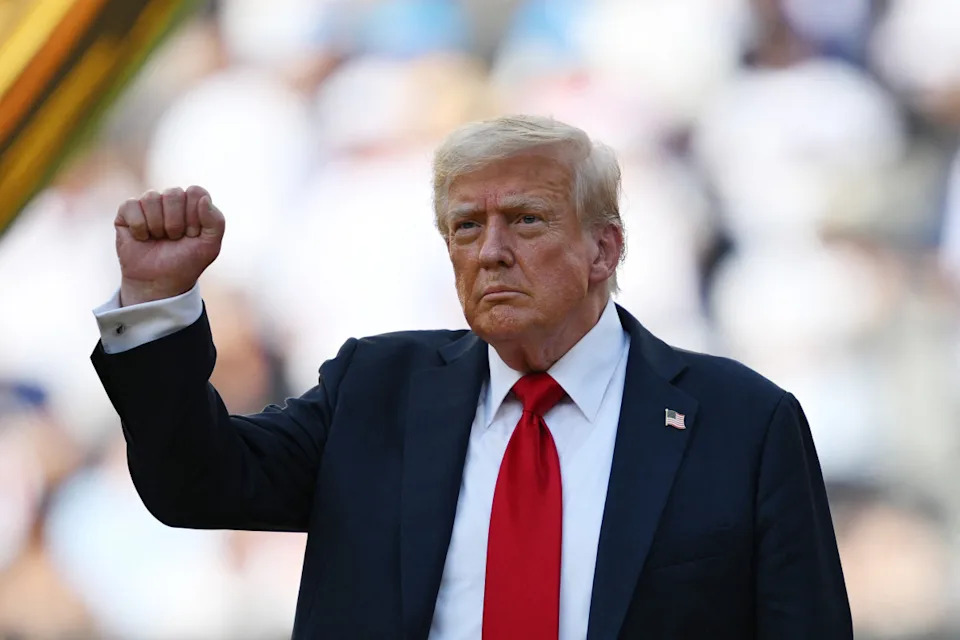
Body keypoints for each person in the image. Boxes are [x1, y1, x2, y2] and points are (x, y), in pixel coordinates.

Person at [90, 115, 852, 639]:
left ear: (603, 250)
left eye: (525, 220)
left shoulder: (740, 423)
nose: (490, 251)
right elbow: (194, 483)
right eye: (465, 226)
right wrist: (158, 308)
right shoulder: (376, 390)